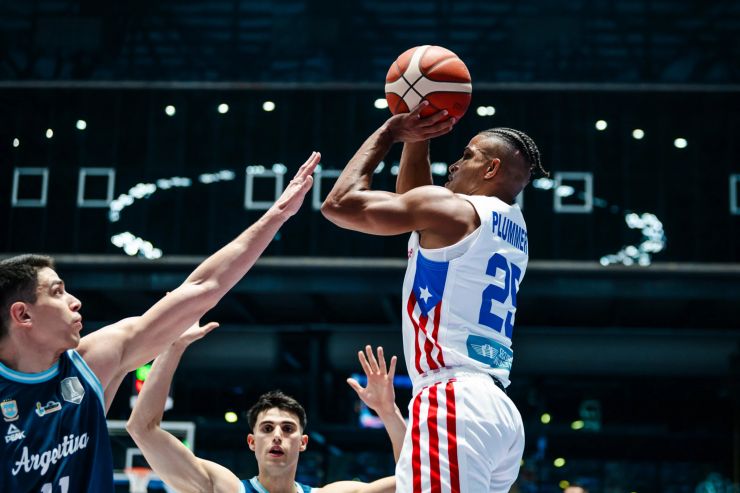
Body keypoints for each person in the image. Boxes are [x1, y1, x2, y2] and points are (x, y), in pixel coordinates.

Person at [0, 152, 321, 492]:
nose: (74, 301)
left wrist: (277, 214)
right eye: (57, 292)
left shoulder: (92, 361)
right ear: (23, 314)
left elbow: (204, 287)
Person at [321, 102, 548, 493]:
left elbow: (338, 206)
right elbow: (418, 203)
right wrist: (418, 140)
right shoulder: (513, 226)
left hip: (453, 399)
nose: (454, 165)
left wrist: (390, 133)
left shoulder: (455, 212)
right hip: (498, 412)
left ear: (491, 169)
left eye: (468, 156)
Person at [126, 321, 405, 493]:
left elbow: (414, 482)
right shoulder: (225, 489)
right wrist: (173, 346)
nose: (277, 435)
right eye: (267, 428)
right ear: (252, 441)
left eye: (288, 428)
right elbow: (142, 428)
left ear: (303, 442)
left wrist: (389, 412)